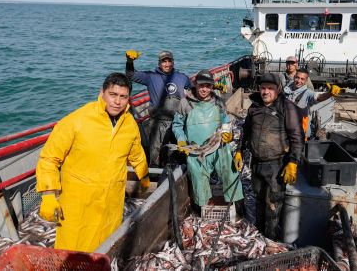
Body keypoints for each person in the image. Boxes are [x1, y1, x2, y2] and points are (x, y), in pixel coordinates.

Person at [35, 73, 149, 252]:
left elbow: (136, 153)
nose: (117, 102)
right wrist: (48, 195)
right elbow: (49, 158)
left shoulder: (130, 124)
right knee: (71, 253)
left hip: (112, 204)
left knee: (105, 250)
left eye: (123, 97)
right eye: (113, 95)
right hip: (78, 205)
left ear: (128, 99)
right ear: (102, 93)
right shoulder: (76, 120)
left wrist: (144, 175)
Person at [235, 73, 303, 241]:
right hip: (256, 163)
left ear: (278, 90)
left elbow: (297, 137)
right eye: (263, 88)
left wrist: (293, 162)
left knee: (273, 205)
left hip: (276, 165)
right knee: (258, 200)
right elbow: (246, 131)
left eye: (270, 89)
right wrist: (239, 151)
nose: (265, 92)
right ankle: (258, 236)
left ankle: (271, 239)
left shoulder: (287, 107)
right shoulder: (254, 106)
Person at [172, 69, 244, 208]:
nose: (204, 89)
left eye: (208, 86)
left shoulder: (219, 102)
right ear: (195, 84)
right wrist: (181, 139)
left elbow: (226, 122)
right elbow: (177, 125)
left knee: (230, 172)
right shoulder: (185, 103)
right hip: (196, 150)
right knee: (199, 179)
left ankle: (235, 203)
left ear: (212, 86)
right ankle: (203, 206)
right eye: (201, 85)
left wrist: (228, 135)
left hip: (218, 147)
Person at [125, 50, 191, 167]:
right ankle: (155, 175)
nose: (167, 64)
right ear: (159, 63)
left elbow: (195, 87)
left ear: (173, 62)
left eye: (169, 61)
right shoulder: (150, 77)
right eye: (164, 61)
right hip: (158, 123)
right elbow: (130, 75)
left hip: (178, 122)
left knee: (181, 151)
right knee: (156, 152)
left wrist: (213, 87)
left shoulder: (182, 77)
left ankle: (181, 171)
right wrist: (129, 61)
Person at [284, 68, 343, 140]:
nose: (299, 81)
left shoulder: (308, 93)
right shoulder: (285, 90)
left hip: (300, 133)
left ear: (306, 81)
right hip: (285, 131)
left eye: (302, 79)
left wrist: (329, 94)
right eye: (297, 78)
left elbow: (318, 97)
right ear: (294, 77)